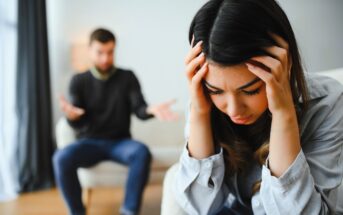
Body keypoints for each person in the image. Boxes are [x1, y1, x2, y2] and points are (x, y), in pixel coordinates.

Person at [162, 0, 343, 214]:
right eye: (216, 91)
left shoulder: (327, 103)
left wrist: (283, 114)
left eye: (250, 91)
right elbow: (197, 207)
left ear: (283, 64)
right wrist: (200, 113)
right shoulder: (203, 101)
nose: (233, 110)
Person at [53, 28, 177, 215]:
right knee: (61, 158)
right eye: (100, 52)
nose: (105, 58)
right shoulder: (78, 81)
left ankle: (128, 210)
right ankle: (77, 212)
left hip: (120, 142)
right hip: (89, 142)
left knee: (141, 152)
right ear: (90, 51)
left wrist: (150, 110)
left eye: (110, 52)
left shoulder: (127, 77)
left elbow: (140, 109)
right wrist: (72, 117)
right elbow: (78, 120)